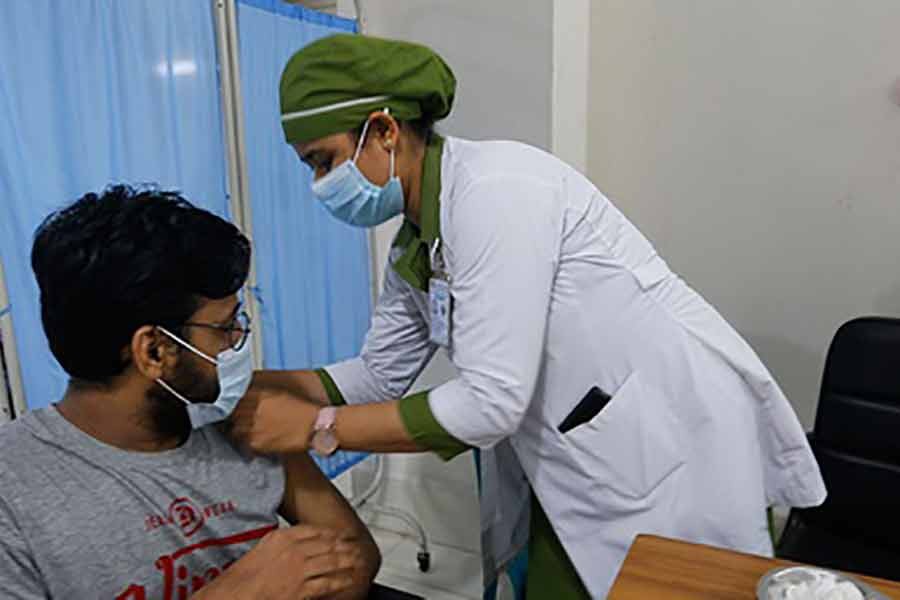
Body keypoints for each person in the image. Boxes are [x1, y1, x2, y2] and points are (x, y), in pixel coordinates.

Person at [229, 34, 827, 598]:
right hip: (576, 452)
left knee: (681, 583)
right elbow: (377, 376)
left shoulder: (497, 193)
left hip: (665, 446)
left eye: (325, 160)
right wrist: (242, 389)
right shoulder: (417, 244)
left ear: (383, 130)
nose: (320, 185)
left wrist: (314, 427)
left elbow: (490, 403)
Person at [0, 186, 380, 599]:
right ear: (154, 351)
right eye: (225, 327)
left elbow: (356, 555)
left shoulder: (246, 421)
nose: (239, 340)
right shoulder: (15, 490)